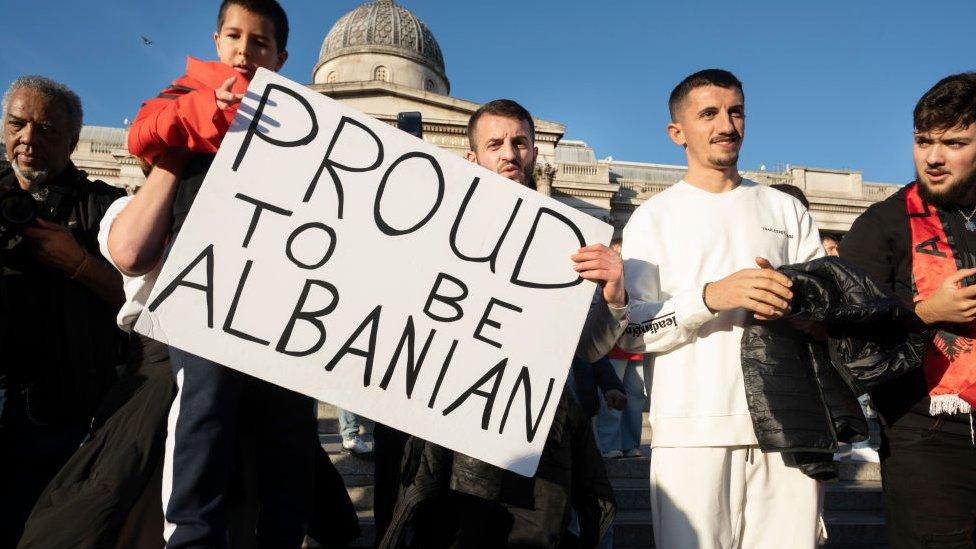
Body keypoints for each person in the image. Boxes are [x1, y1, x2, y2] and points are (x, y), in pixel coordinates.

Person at [380, 99, 628, 549]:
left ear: (535, 152)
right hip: (448, 426)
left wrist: (613, 294)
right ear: (472, 157)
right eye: (495, 144)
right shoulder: (438, 225)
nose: (509, 154)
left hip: (537, 430)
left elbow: (587, 349)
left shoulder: (569, 239)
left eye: (520, 142)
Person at [114, 2, 317, 546]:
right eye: (234, 37)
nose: (245, 52)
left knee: (289, 423)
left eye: (260, 43)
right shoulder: (184, 97)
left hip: (280, 293)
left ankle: (284, 534)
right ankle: (191, 538)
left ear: (281, 57)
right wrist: (207, 108)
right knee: (204, 407)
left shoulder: (308, 126)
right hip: (206, 287)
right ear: (216, 39)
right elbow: (142, 133)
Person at [616, 69, 825, 548]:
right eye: (708, 114)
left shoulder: (785, 209)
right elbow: (631, 331)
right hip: (693, 432)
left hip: (789, 426)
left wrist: (798, 304)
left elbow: (825, 311)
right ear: (677, 133)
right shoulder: (653, 217)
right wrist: (712, 298)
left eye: (736, 111)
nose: (726, 125)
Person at [839, 72, 976, 548]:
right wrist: (925, 310)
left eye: (953, 142)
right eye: (923, 141)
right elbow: (847, 337)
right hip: (926, 429)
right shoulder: (882, 224)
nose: (933, 157)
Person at [0, 75, 127, 546]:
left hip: (57, 407)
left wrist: (77, 263)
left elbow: (142, 304)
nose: (28, 140)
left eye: (47, 131)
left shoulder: (104, 207)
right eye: (17, 124)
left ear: (73, 142)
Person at [593, 239, 648, 459]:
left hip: (638, 344)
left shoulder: (641, 275)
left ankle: (631, 444)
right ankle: (609, 445)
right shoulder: (606, 277)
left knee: (635, 398)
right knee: (612, 396)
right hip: (613, 345)